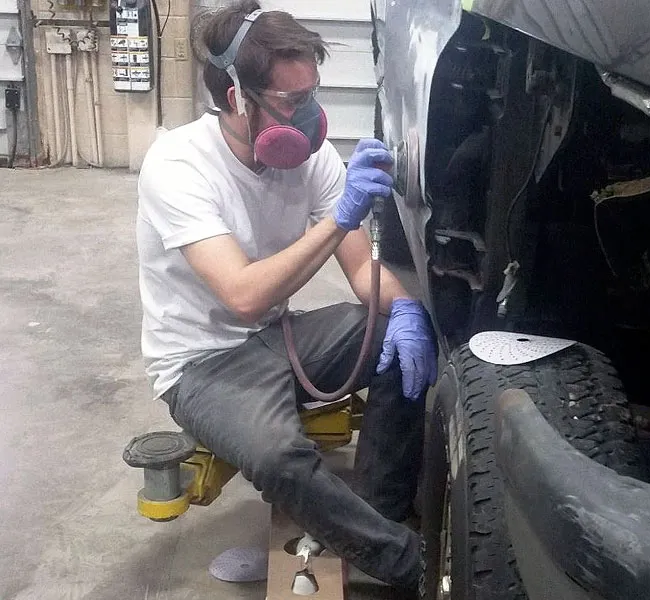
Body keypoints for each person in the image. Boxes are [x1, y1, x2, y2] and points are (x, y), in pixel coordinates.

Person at [135, 0, 436, 591]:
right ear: (235, 99)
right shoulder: (176, 166)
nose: (311, 117)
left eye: (314, 95)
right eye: (293, 103)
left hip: (279, 338)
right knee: (278, 457)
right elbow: (243, 295)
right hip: (202, 365)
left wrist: (404, 309)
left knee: (400, 337)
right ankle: (411, 567)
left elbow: (360, 272)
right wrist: (338, 218)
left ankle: (376, 512)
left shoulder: (314, 157)